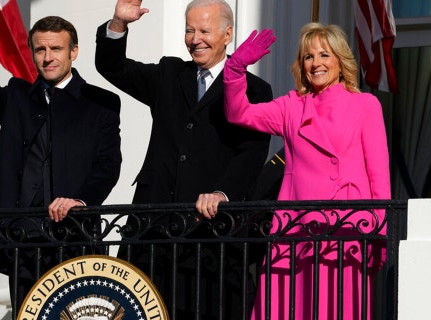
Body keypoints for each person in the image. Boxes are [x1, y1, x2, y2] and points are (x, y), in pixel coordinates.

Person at [0, 0, 122, 311]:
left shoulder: (99, 103)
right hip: (21, 239)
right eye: (40, 50)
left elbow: (108, 165)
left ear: (73, 52)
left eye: (56, 49)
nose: (47, 58)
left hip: (72, 236)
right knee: (26, 313)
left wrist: (81, 201)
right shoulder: (17, 97)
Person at [95, 0, 273, 318]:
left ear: (228, 33)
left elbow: (252, 151)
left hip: (211, 237)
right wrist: (118, 24)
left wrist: (223, 192)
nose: (195, 38)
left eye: (204, 30)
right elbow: (114, 68)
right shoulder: (169, 74)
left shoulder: (255, 89)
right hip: (152, 231)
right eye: (189, 30)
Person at [222, 23, 391, 319]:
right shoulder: (291, 107)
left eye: (324, 54)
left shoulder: (366, 105)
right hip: (294, 231)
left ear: (340, 61)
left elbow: (379, 176)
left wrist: (379, 234)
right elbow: (239, 112)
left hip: (346, 231)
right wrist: (235, 68)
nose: (316, 63)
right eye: (308, 57)